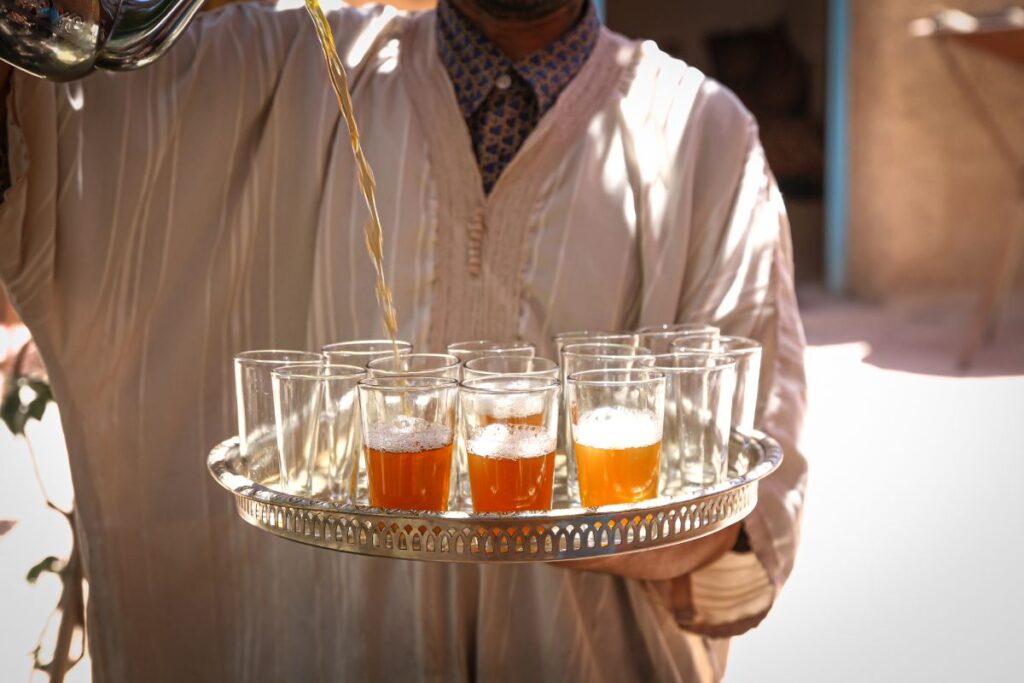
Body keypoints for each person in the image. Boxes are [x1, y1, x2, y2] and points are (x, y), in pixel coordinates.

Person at [0, 0, 808, 680]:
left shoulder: (703, 137)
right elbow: (39, 156)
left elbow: (738, 538)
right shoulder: (275, 64)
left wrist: (539, 499)